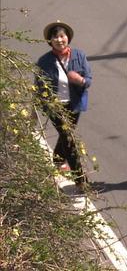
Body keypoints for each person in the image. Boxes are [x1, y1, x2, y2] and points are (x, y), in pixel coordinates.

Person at [36, 21, 93, 185]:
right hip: (55, 107)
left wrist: (80, 80)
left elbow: (88, 80)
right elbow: (39, 86)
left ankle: (57, 158)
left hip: (74, 105)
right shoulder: (44, 61)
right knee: (69, 139)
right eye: (55, 37)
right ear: (50, 41)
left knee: (66, 135)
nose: (59, 40)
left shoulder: (79, 56)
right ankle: (81, 180)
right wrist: (39, 106)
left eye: (62, 36)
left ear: (67, 37)